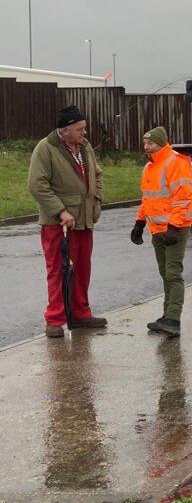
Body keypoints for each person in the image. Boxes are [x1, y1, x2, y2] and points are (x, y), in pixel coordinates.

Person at [28, 105, 107, 338]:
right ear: (65, 130)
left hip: (84, 221)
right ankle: (55, 319)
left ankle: (81, 314)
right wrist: (61, 211)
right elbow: (37, 185)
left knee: (82, 269)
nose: (84, 132)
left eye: (84, 127)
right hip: (59, 224)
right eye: (80, 128)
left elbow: (98, 174)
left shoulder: (85, 147)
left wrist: (97, 199)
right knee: (59, 271)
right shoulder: (46, 148)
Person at [132, 126, 192, 337]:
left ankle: (173, 319)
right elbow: (147, 199)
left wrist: (174, 226)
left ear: (161, 143)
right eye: (145, 143)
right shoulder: (149, 167)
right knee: (165, 274)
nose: (146, 147)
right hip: (157, 229)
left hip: (174, 229)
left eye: (150, 144)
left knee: (173, 274)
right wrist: (139, 223)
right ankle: (167, 316)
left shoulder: (175, 163)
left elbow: (183, 197)